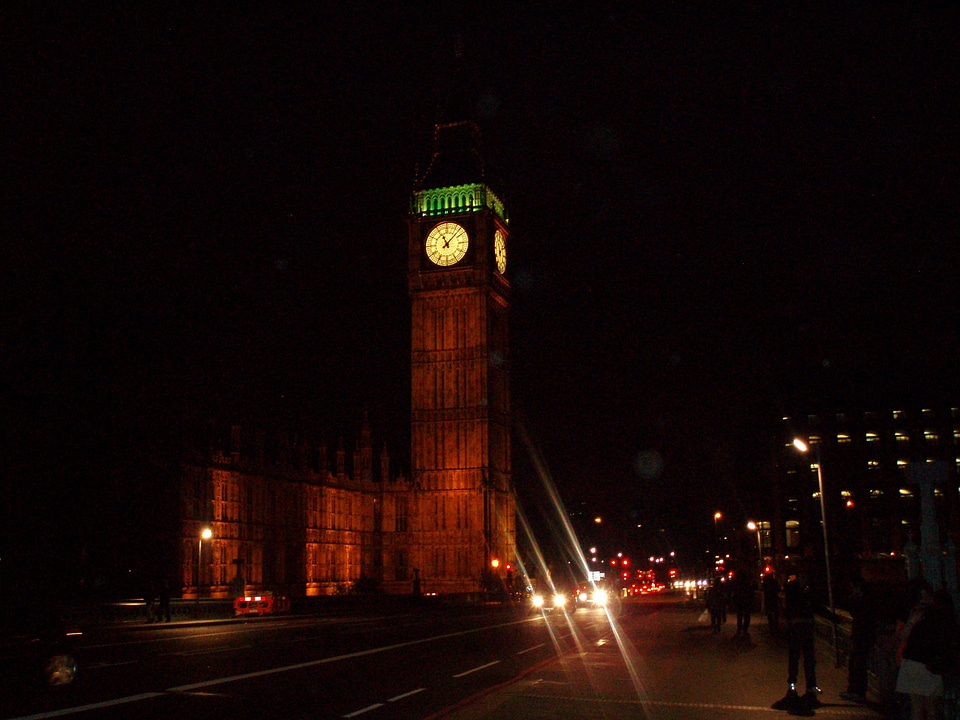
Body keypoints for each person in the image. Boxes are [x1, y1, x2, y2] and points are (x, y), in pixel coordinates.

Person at [896, 586, 958, 720]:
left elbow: (905, 637)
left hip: (912, 663)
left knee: (917, 710)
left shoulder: (922, 616)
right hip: (930, 666)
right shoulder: (947, 621)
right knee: (932, 710)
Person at [772, 567, 821, 714]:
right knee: (795, 658)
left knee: (809, 659)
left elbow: (815, 606)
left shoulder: (806, 590)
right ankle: (792, 686)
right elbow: (792, 606)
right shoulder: (794, 591)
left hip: (804, 626)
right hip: (798, 626)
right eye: (803, 576)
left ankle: (810, 686)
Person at [840, 572, 878, 704]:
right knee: (857, 664)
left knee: (858, 665)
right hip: (863, 635)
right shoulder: (868, 601)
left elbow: (856, 615)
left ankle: (857, 692)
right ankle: (855, 691)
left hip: (861, 636)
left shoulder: (863, 602)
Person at [731, 568, 756, 640]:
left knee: (740, 616)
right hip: (745, 602)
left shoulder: (738, 584)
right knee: (746, 616)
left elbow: (735, 593)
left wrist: (734, 601)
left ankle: (740, 629)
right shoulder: (747, 584)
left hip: (741, 602)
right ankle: (744, 629)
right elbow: (751, 593)